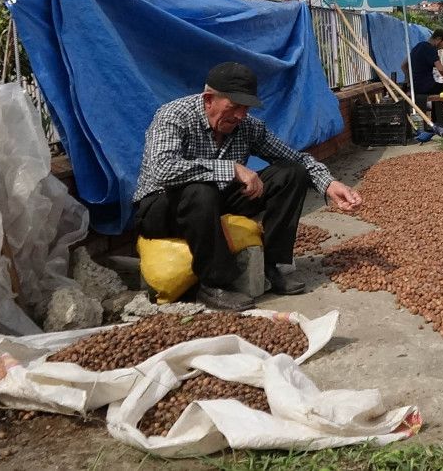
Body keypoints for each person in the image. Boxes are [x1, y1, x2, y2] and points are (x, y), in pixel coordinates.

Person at [132, 61, 363, 311]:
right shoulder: (173, 116)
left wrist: (329, 184)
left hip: (211, 204)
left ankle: (273, 266)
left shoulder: (246, 127)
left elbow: (295, 159)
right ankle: (214, 284)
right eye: (235, 106)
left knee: (290, 173)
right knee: (200, 188)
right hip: (161, 207)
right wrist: (231, 168)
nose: (241, 115)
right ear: (209, 99)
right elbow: (163, 168)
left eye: (246, 108)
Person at [400, 28, 443, 130]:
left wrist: (408, 81)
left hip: (416, 87)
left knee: (439, 89)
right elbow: (440, 68)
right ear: (438, 39)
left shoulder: (417, 47)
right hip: (427, 87)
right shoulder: (430, 48)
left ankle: (436, 121)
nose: (442, 47)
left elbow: (403, 66)